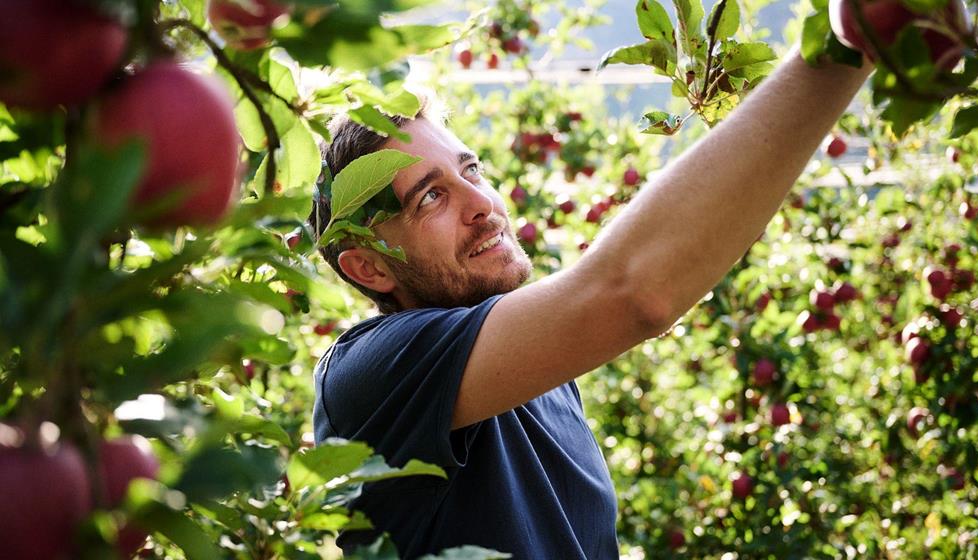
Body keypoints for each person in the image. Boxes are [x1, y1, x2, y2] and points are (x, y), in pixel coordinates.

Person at [309, 46, 873, 558]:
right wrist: (849, 44)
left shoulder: (543, 372)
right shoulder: (369, 376)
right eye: (431, 197)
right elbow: (635, 293)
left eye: (471, 170)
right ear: (371, 266)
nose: (483, 204)